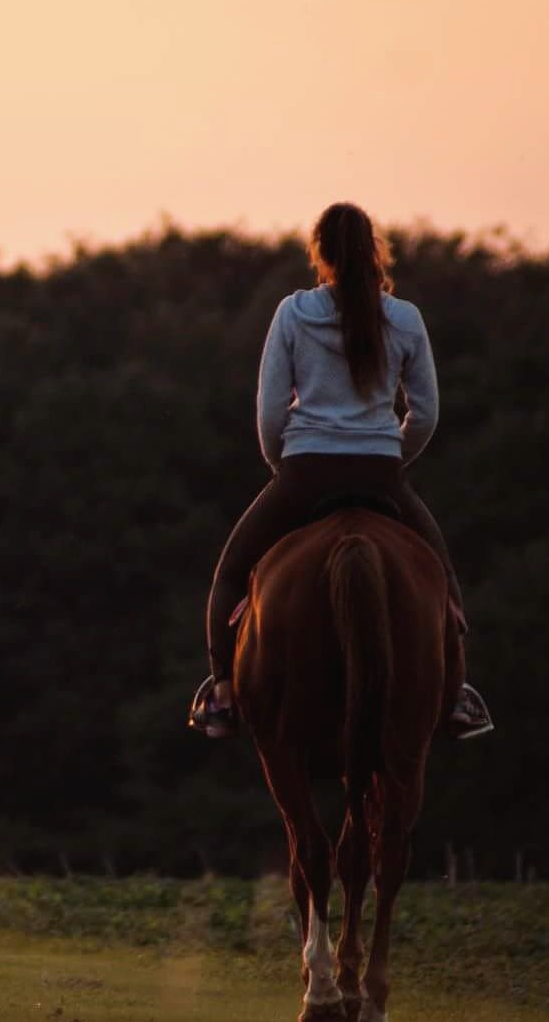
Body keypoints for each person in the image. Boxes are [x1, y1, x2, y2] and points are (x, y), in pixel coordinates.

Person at [188, 202, 493, 740]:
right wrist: (394, 456)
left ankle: (222, 693)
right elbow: (425, 412)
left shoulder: (293, 312)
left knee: (230, 575)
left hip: (305, 469)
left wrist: (283, 465)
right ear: (374, 250)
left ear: (320, 253)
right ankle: (457, 697)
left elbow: (268, 410)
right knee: (443, 581)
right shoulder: (405, 318)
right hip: (380, 472)